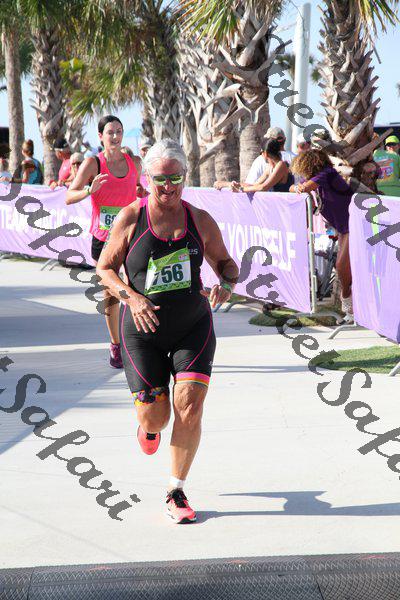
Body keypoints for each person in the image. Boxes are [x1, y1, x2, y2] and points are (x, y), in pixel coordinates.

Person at [96, 139, 238, 524]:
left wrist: (226, 284)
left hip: (193, 326)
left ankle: (176, 490)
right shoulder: (131, 218)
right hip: (143, 331)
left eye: (175, 178)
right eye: (160, 179)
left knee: (189, 405)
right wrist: (131, 298)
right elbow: (104, 269)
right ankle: (148, 428)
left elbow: (227, 264)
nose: (168, 187)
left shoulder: (199, 219)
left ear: (185, 177)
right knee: (155, 418)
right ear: (147, 179)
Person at [66, 115, 141, 369]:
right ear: (101, 136)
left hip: (131, 234)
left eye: (119, 131)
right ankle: (116, 345)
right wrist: (90, 189)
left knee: (137, 286)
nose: (115, 136)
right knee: (111, 291)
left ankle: (138, 342)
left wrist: (141, 192)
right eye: (110, 132)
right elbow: (69, 196)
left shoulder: (135, 162)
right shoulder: (93, 163)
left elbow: (138, 189)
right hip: (104, 238)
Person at [290, 149, 353, 320]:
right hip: (343, 228)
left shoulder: (327, 174)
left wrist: (300, 188)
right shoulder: (320, 176)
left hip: (352, 225)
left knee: (341, 266)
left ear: (309, 165)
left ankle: (349, 305)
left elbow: (304, 187)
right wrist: (297, 187)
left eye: (302, 168)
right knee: (343, 267)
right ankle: (350, 307)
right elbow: (293, 187)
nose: (301, 173)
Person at [230, 138, 294, 193]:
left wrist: (241, 189)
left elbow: (264, 187)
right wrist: (238, 185)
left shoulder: (281, 165)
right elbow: (254, 185)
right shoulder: (270, 167)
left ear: (265, 153)